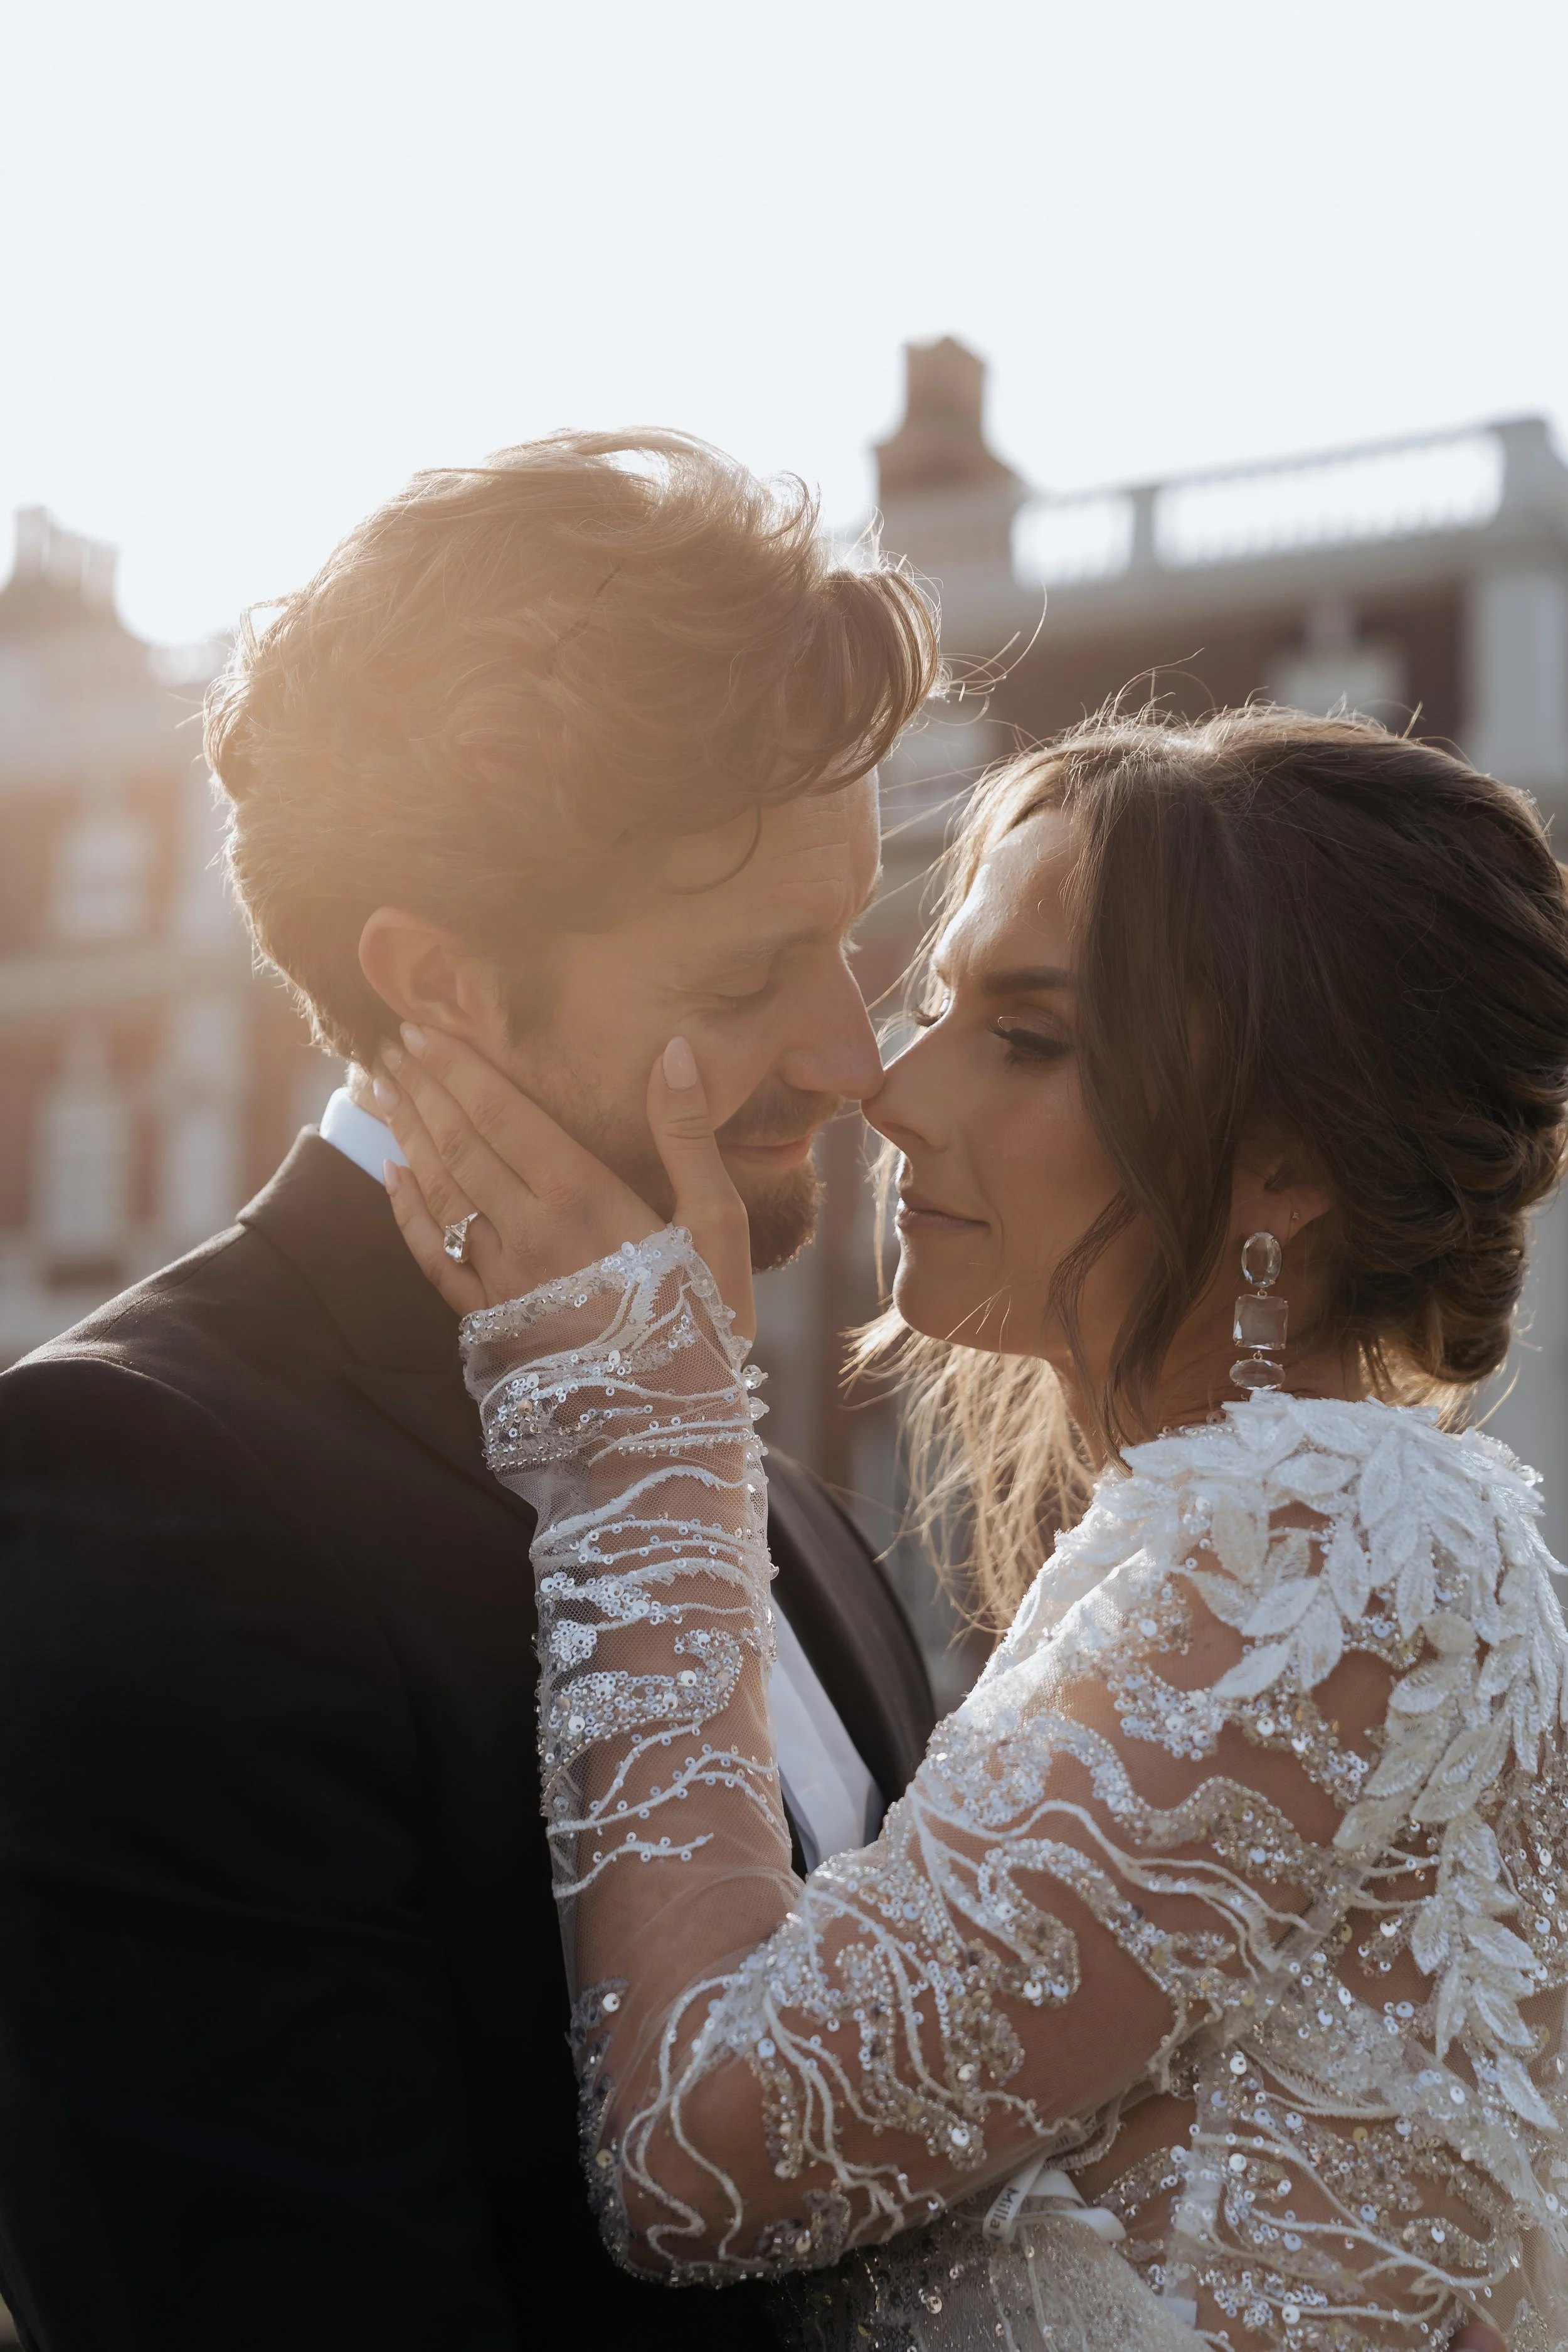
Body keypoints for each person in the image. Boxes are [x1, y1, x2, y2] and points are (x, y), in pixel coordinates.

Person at [379, 706, 1559, 2350]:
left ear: (1283, 1157)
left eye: (1024, 1033)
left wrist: (642, 1452)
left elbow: (702, 2151)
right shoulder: (1275, 1543)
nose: (891, 1087)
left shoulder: (1332, 1533)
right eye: (935, 1003)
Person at [0, 435, 939, 2349]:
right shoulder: (131, 1495)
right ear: (435, 979)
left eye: (850, 936)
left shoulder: (788, 1513)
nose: (854, 1054)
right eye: (756, 967)